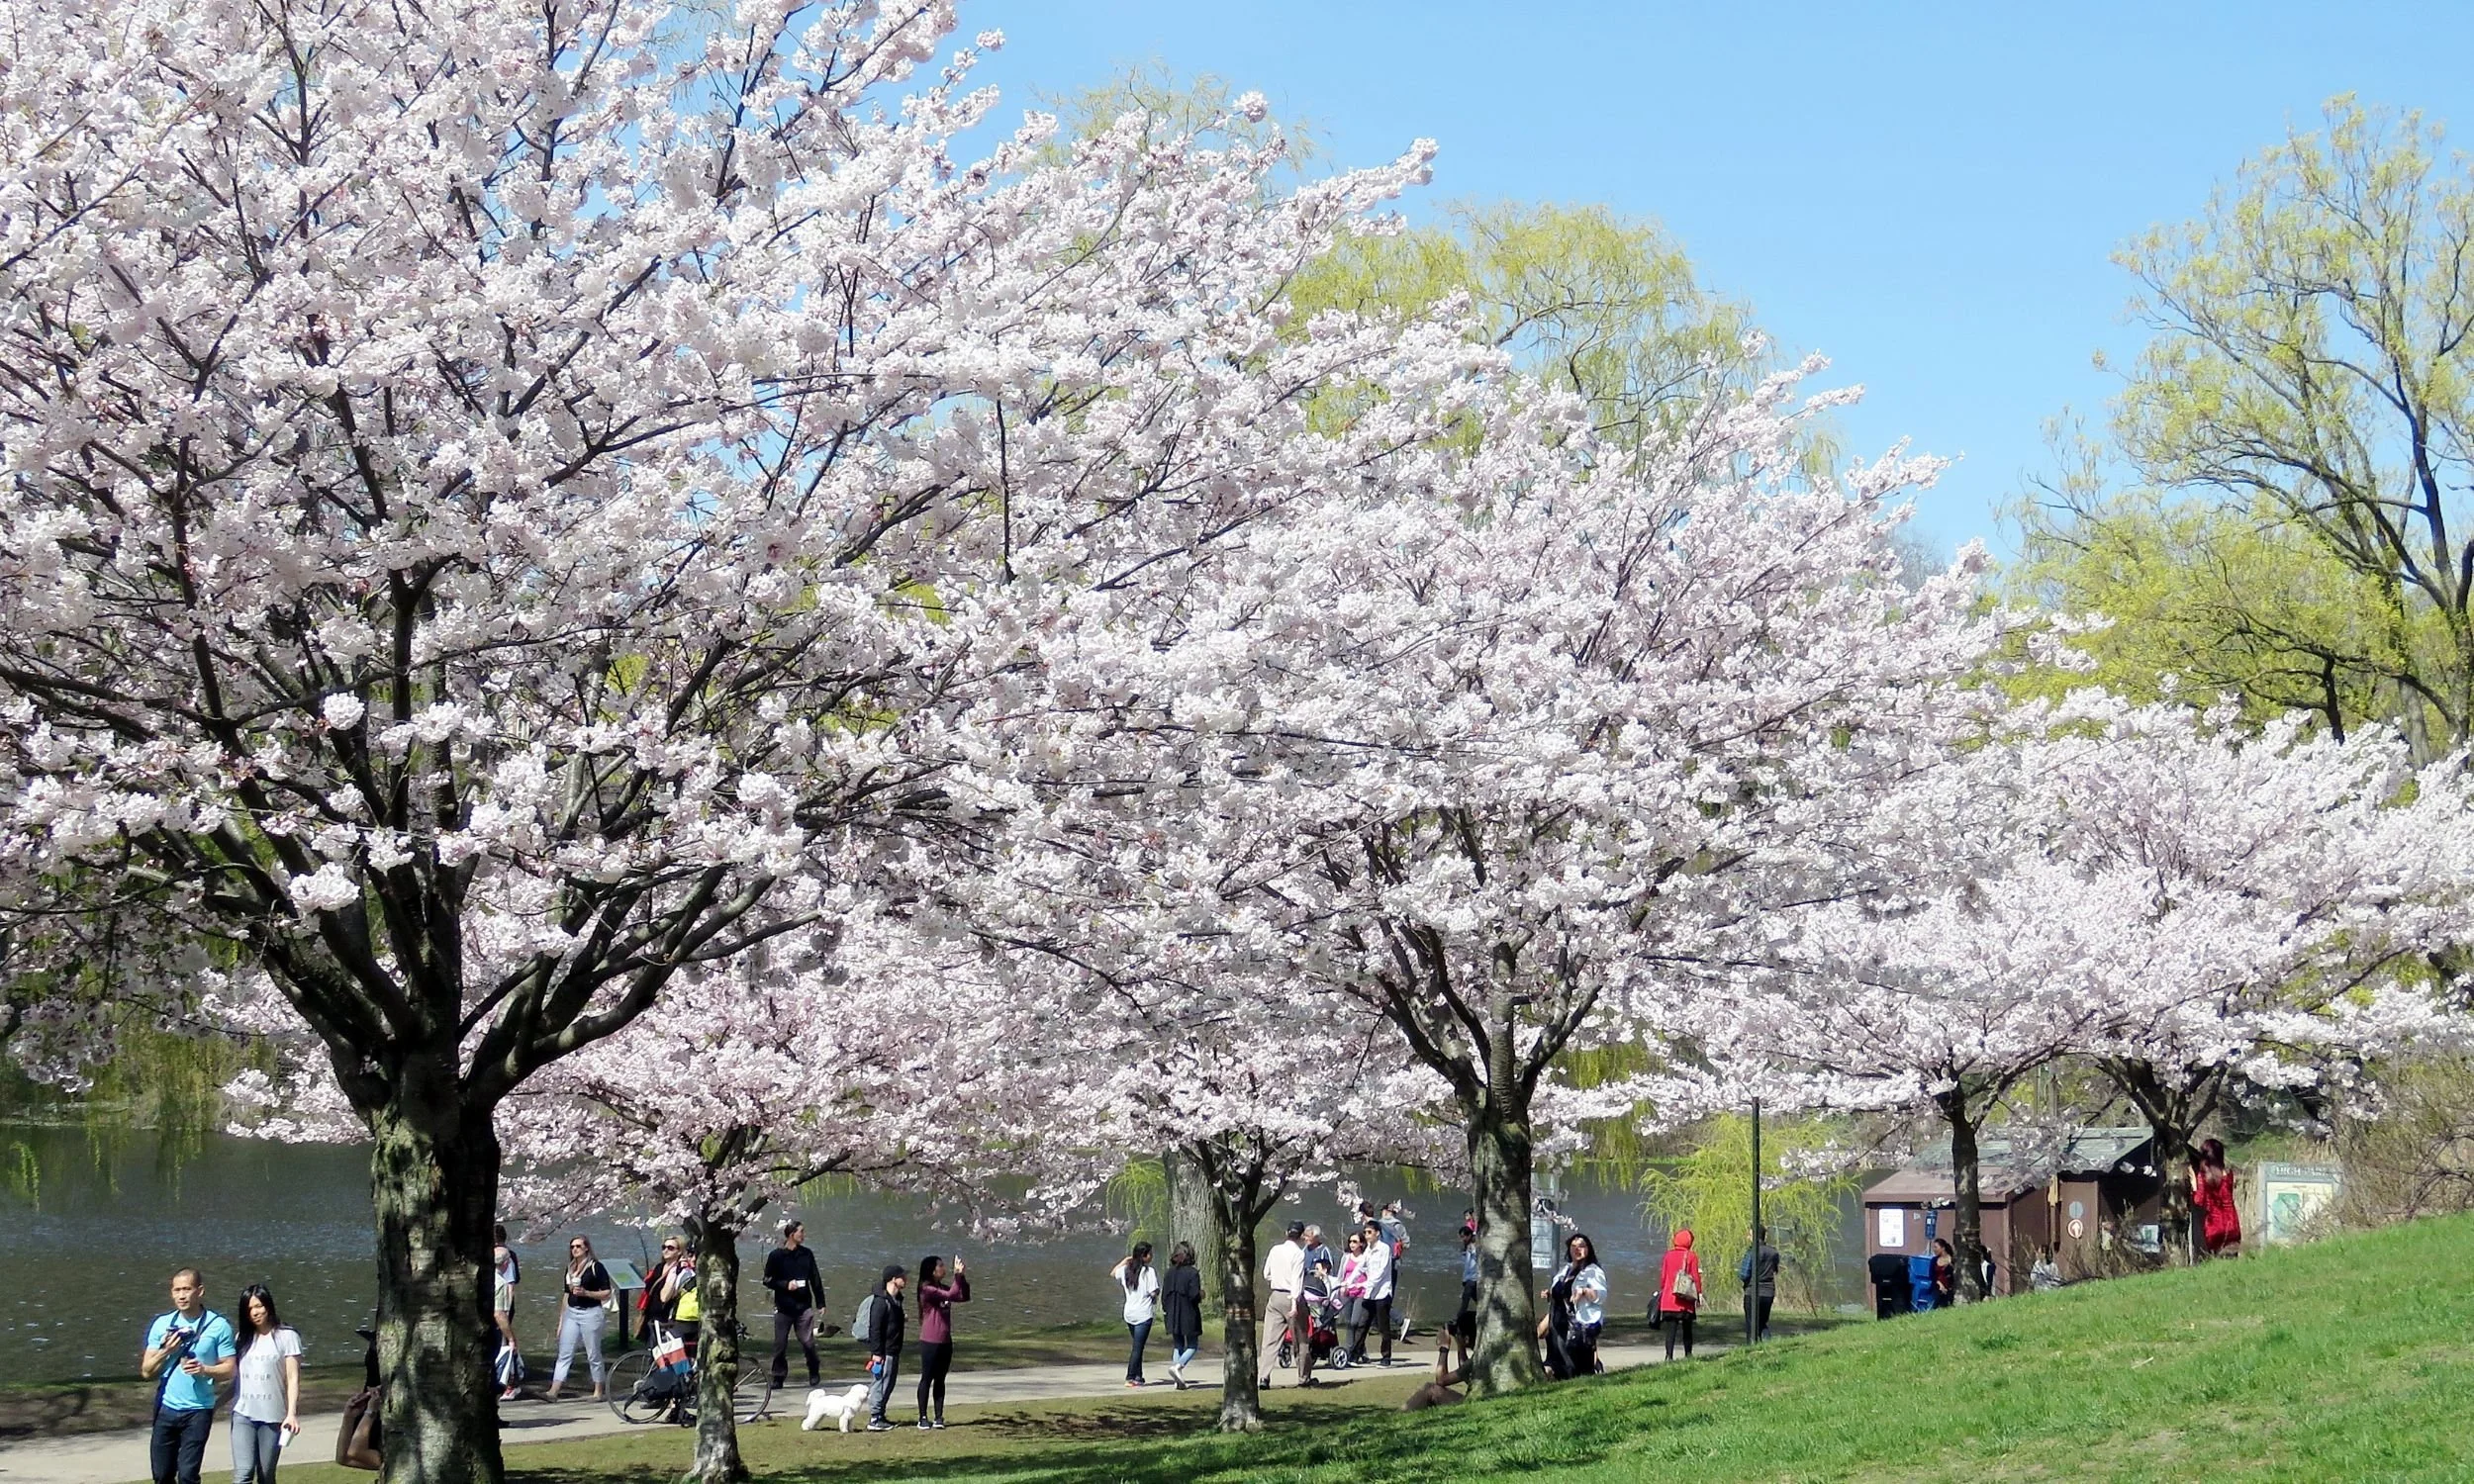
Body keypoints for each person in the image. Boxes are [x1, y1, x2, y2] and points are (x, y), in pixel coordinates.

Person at [142, 1267, 237, 1484]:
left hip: (198, 1411)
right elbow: (146, 1371)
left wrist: (204, 1370)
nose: (182, 1295)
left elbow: (230, 1369)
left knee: (187, 1475)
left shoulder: (218, 1326)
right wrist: (166, 1351)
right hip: (166, 1409)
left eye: (187, 1289)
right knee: (162, 1475)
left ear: (199, 1291)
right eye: (177, 1290)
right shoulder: (162, 1324)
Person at [229, 1284, 301, 1484]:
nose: (255, 1312)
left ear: (268, 1305)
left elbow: (293, 1378)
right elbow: (238, 1379)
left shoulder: (287, 1336)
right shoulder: (241, 1339)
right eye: (250, 1309)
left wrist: (291, 1414)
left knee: (266, 1475)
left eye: (258, 1306)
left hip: (272, 1416)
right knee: (243, 1473)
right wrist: (214, 1405)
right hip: (243, 1413)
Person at [545, 1237, 613, 1402]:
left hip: (591, 1313)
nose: (575, 1249)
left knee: (593, 1353)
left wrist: (587, 1293)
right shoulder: (570, 1268)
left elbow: (606, 1292)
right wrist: (562, 1320)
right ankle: (554, 1390)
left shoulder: (596, 1267)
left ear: (587, 1248)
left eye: (578, 1246)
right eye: (572, 1247)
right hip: (571, 1312)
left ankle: (598, 1390)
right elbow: (566, 1295)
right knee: (564, 1352)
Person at [763, 1219, 826, 1391]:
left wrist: (821, 1302)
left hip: (803, 1306)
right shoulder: (776, 1256)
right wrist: (785, 1285)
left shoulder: (807, 1254)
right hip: (784, 1307)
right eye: (801, 1232)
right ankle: (778, 1376)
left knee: (808, 1342)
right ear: (792, 1234)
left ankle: (814, 1370)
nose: (803, 1235)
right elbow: (767, 1280)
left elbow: (815, 1278)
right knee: (780, 1345)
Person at [1540, 1232, 1607, 1380]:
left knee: (1574, 1365)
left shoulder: (1594, 1272)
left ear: (1589, 1249)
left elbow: (1601, 1296)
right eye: (1573, 1246)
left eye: (1582, 1246)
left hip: (1577, 1327)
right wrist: (1549, 1293)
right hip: (1557, 1325)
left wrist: (1584, 1291)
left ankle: (1586, 1374)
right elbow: (1559, 1291)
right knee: (1555, 1360)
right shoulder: (1566, 1270)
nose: (1577, 1249)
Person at [914, 1253, 969, 1429]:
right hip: (930, 1341)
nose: (943, 1268)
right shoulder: (927, 1289)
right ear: (932, 1270)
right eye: (940, 1266)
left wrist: (963, 1278)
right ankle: (922, 1417)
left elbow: (962, 1296)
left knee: (940, 1379)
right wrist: (957, 1276)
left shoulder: (943, 1288)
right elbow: (951, 1293)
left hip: (945, 1341)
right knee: (927, 1378)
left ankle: (939, 1417)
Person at [1259, 1222, 1306, 1390]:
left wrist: (1277, 1279)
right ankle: (1303, 1377)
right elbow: (1297, 1280)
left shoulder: (1275, 1250)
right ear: (1301, 1236)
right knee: (1301, 1339)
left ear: (1286, 1232)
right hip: (1290, 1297)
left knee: (1270, 1339)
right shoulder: (1299, 1254)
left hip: (1275, 1295)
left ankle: (1264, 1376)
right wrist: (1294, 1303)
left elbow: (1266, 1274)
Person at [863, 1264, 907, 1432]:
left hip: (894, 1349)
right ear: (893, 1279)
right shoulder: (881, 1301)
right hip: (884, 1352)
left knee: (888, 1384)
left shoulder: (896, 1300)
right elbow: (874, 1328)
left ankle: (880, 1415)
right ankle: (874, 1418)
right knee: (880, 1384)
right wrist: (876, 1353)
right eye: (902, 1276)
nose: (906, 1279)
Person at [1109, 1242, 1160, 1387]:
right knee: (1138, 1348)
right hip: (1143, 1315)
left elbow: (1113, 1273)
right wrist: (1155, 1295)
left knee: (1138, 1345)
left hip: (1130, 1314)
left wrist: (1125, 1261)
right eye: (1150, 1254)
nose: (1152, 1256)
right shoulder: (1149, 1272)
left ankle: (1139, 1376)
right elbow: (1153, 1291)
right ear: (1144, 1256)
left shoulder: (1126, 1270)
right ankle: (1130, 1377)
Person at [1161, 1243, 1204, 1391]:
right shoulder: (1192, 1273)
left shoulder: (1169, 1273)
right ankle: (1178, 1366)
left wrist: (1166, 1309)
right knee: (1192, 1345)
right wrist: (1201, 1295)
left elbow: (1164, 1295)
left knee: (1178, 1344)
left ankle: (1176, 1378)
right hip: (1188, 1312)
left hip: (1172, 1312)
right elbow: (1193, 1295)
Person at [1352, 1220, 1396, 1365]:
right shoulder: (1368, 1250)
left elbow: (1381, 1272)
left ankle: (1386, 1357)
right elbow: (1360, 1267)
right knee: (1362, 1324)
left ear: (1377, 1233)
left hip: (1382, 1293)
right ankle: (1354, 1355)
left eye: (1369, 1232)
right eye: (1365, 1232)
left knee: (1383, 1327)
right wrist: (1349, 1281)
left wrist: (1365, 1284)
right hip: (1370, 1294)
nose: (1367, 1235)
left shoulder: (1384, 1249)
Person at [1656, 1228, 1703, 1360]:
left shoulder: (1668, 1255)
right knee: (1687, 1329)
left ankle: (1668, 1355)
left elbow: (1663, 1277)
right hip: (1685, 1299)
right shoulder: (1691, 1256)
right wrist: (1699, 1293)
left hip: (1669, 1299)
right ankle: (1688, 1354)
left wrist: (1664, 1289)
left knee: (1671, 1330)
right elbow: (1695, 1277)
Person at [2192, 1138, 2243, 1257]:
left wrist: (2194, 1184)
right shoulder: (2228, 1174)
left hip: (2213, 1225)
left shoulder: (2203, 1176)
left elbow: (2199, 1200)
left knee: (2216, 1260)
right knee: (2231, 1260)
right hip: (2231, 1223)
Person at [492, 1224, 522, 1401]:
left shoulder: (506, 1256)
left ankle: (511, 1383)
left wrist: (508, 1309)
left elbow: (510, 1283)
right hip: (499, 1303)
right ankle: (505, 1382)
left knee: (506, 1345)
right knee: (500, 1346)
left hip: (502, 1304)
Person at [1333, 1232, 1370, 1369]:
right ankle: (1360, 1350)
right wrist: (1340, 1287)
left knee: (1355, 1322)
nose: (1352, 1244)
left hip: (1361, 1293)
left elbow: (1369, 1276)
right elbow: (1341, 1274)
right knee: (1349, 1323)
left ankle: (1349, 1350)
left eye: (1355, 1241)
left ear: (1361, 1243)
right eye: (1350, 1241)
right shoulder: (1346, 1257)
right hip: (1347, 1293)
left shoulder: (1365, 1258)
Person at [1737, 1227, 1781, 1341]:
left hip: (1752, 1292)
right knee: (1762, 1323)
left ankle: (1751, 1348)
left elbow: (1744, 1274)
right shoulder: (1773, 1252)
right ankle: (1768, 1344)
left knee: (1751, 1325)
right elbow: (1775, 1270)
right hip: (1768, 1292)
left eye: (1750, 1235)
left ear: (1754, 1237)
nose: (1748, 1237)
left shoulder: (1751, 1252)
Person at [1453, 1226, 1479, 1371]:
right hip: (1468, 1277)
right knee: (1477, 1300)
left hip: (1474, 1278)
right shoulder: (1467, 1247)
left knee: (1465, 1299)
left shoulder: (1475, 1245)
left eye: (1464, 1236)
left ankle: (1459, 1318)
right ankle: (1482, 1314)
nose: (1463, 1239)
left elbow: (1476, 1259)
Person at [1930, 1238, 1957, 1308]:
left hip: (1949, 1288)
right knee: (1936, 1303)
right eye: (1933, 1247)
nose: (1934, 1249)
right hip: (1937, 1287)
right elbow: (1931, 1275)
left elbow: (1954, 1276)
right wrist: (1940, 1285)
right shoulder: (1934, 1260)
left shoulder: (1952, 1260)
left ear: (1943, 1248)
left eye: (1936, 1247)